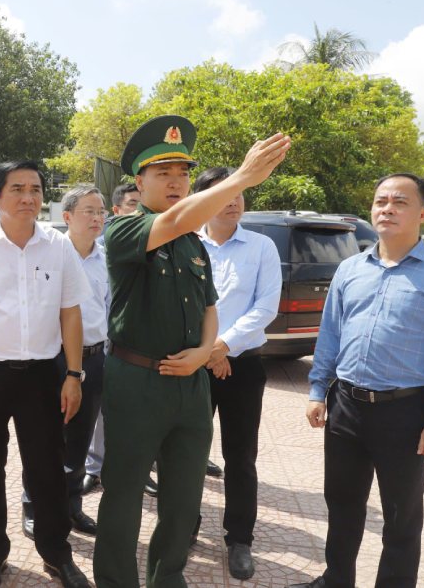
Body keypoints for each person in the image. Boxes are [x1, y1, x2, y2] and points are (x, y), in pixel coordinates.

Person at [92, 115, 290, 588]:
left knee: (182, 499)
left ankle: (169, 579)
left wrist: (205, 352)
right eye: (163, 174)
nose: (176, 182)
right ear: (138, 183)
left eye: (182, 173)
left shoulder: (194, 248)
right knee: (123, 495)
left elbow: (209, 308)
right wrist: (242, 178)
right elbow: (179, 218)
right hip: (137, 381)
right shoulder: (125, 231)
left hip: (191, 386)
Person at [289, 173, 424, 588]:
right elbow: (330, 335)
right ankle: (336, 580)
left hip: (406, 413)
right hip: (346, 407)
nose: (387, 208)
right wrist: (318, 390)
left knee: (401, 515)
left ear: (422, 213)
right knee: (342, 505)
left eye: (400, 202)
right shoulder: (350, 270)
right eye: (380, 201)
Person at [0, 160, 92, 588]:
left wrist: (74, 374)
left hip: (43, 376)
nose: (28, 197)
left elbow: (71, 312)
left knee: (47, 469)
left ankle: (56, 552)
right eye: (17, 189)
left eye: (35, 189)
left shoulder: (58, 246)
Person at [192, 166, 281, 580]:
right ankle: (184, 527)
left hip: (241, 365)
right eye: (223, 192)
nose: (232, 200)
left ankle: (239, 538)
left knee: (240, 456)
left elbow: (266, 307)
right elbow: (181, 306)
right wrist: (208, 354)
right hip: (192, 365)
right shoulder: (186, 243)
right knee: (187, 452)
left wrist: (222, 347)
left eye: (239, 192)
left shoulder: (261, 246)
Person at [21, 185, 108, 540]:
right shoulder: (50, 256)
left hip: (95, 359)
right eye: (89, 211)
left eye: (101, 211)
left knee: (80, 440)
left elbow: (107, 307)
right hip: (54, 362)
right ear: (67, 217)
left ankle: (71, 507)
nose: (97, 218)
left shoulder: (106, 258)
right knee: (44, 440)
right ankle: (34, 508)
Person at [84, 183, 139, 495]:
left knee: (116, 413)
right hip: (88, 349)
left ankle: (111, 468)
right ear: (117, 212)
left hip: (128, 346)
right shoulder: (103, 250)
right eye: (132, 204)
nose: (138, 211)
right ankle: (89, 470)